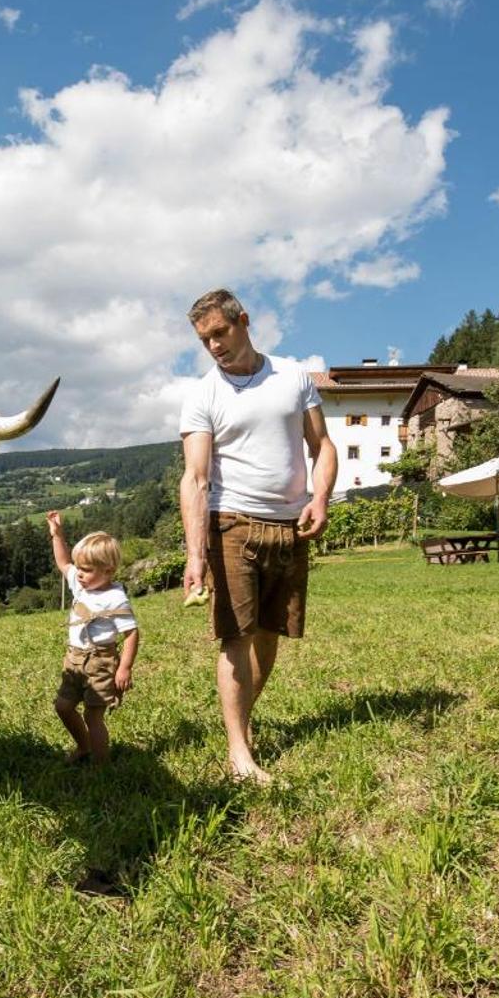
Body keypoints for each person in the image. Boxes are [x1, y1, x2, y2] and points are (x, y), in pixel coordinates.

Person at [178, 288, 335, 783]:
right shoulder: (203, 394)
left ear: (243, 321)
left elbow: (322, 445)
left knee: (269, 635)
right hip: (232, 524)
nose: (214, 346)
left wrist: (320, 498)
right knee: (235, 637)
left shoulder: (294, 377)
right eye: (204, 340)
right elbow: (195, 478)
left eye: (220, 333)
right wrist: (195, 556)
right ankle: (239, 754)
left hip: (291, 526)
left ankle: (241, 723)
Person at [46, 513, 140, 765]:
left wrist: (125, 667)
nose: (79, 574)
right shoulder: (80, 584)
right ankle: (84, 746)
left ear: (108, 571)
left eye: (86, 570)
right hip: (74, 659)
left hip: (101, 661)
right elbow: (64, 563)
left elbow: (131, 633)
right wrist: (57, 534)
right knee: (63, 707)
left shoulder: (115, 598)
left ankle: (101, 766)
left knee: (93, 716)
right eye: (80, 568)